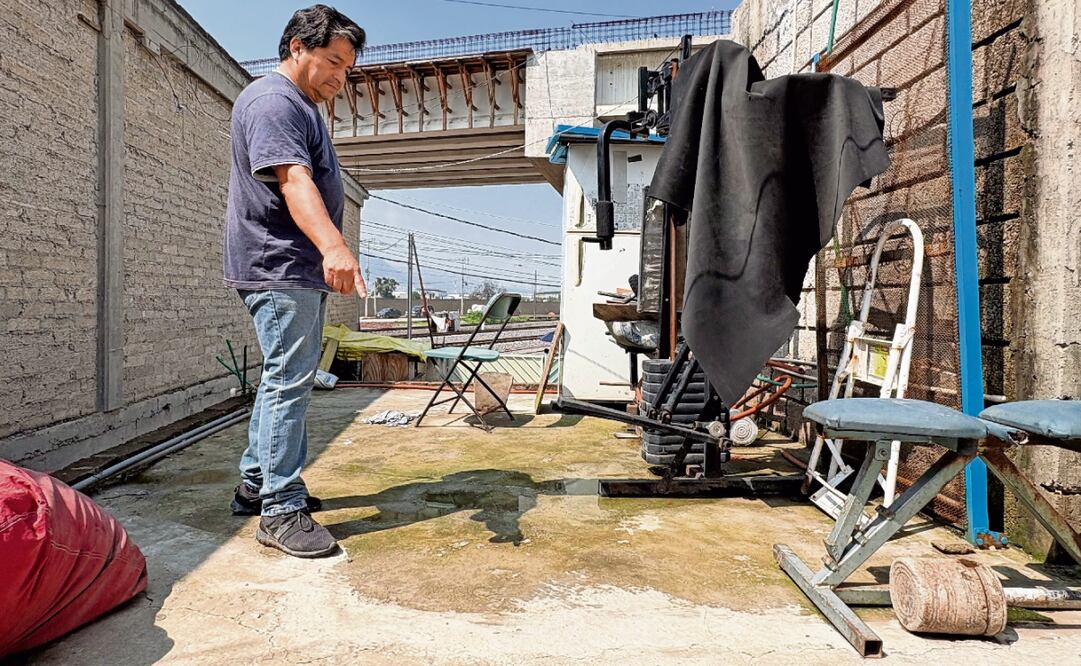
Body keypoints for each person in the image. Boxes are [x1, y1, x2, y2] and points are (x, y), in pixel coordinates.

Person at [223, 5, 366, 558]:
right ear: (297, 48)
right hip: (280, 266)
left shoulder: (298, 106)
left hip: (288, 268)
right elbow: (293, 180)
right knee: (291, 383)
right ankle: (279, 510)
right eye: (332, 61)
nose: (339, 77)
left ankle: (257, 483)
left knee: (283, 376)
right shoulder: (275, 102)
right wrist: (334, 245)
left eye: (347, 69)